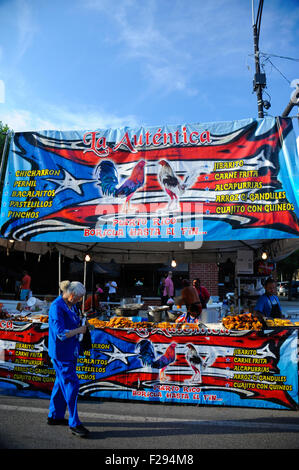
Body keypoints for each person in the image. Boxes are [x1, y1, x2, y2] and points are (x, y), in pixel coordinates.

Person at [47, 280, 90, 438]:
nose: (80, 301)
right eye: (79, 298)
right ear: (72, 295)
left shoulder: (70, 304)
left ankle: (55, 416)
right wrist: (80, 329)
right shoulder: (56, 307)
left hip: (69, 351)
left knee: (60, 383)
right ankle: (74, 423)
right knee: (72, 384)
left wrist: (81, 323)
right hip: (61, 353)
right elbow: (60, 333)